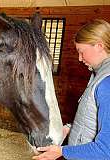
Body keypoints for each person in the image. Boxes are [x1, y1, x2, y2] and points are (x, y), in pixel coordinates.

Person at [32, 19, 110, 160]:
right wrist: (69, 128)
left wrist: (62, 151)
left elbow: (106, 149)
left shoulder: (107, 83)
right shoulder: (98, 75)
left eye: (81, 52)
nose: (80, 58)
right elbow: (93, 116)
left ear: (99, 46)